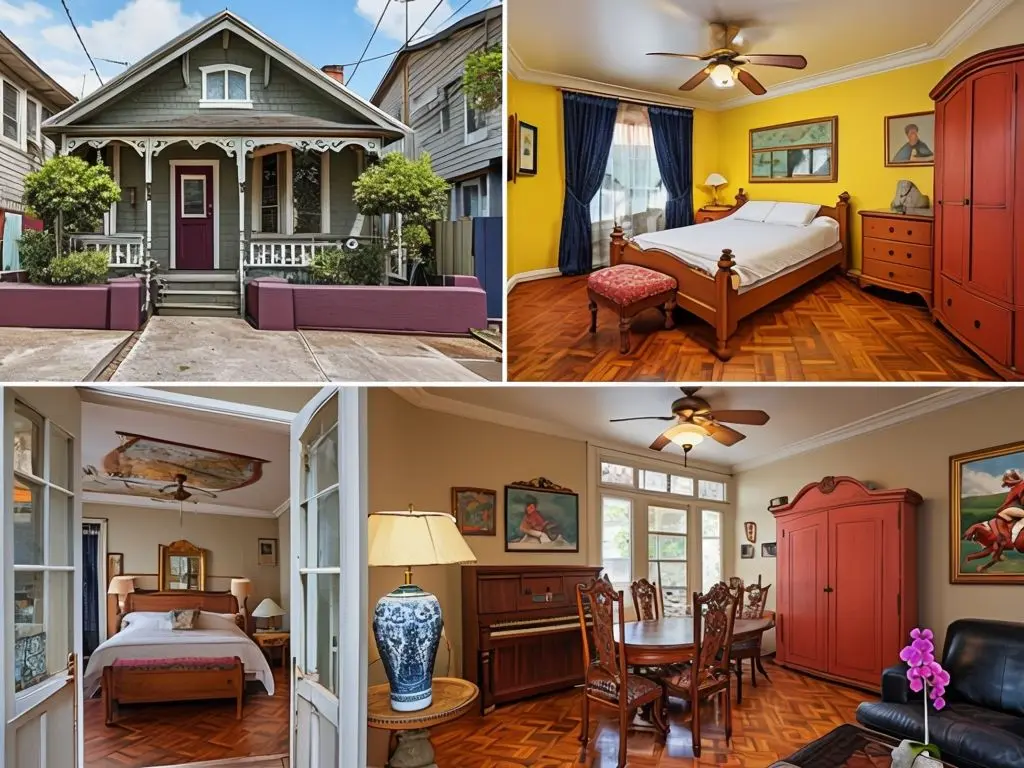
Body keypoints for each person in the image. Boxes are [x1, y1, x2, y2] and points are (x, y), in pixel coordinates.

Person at [991, 469, 1024, 548]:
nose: (1007, 485)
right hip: (1019, 509)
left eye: (1007, 483)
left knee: (1002, 513)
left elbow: (1007, 503)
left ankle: (1008, 539)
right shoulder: (1017, 487)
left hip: (1021, 509)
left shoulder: (1018, 487)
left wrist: (999, 509)